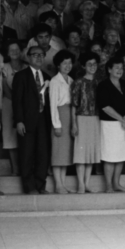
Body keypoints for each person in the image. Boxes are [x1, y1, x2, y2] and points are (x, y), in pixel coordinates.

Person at [12, 45, 51, 194]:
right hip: (26, 121)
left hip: (43, 120)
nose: (39, 57)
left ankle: (40, 185)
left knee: (43, 154)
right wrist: (19, 121)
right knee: (27, 154)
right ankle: (29, 187)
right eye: (35, 55)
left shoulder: (47, 77)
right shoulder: (21, 76)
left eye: (41, 55)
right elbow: (17, 101)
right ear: (28, 57)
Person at [97, 57, 125, 192]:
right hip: (110, 125)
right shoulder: (103, 85)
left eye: (121, 68)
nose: (120, 70)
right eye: (116, 68)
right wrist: (122, 119)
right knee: (109, 155)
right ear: (109, 70)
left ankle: (116, 183)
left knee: (121, 154)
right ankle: (108, 185)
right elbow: (105, 107)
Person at [71, 52, 102, 194]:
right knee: (81, 152)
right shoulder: (78, 82)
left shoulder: (99, 82)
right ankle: (81, 184)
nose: (92, 67)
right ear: (83, 66)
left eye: (95, 64)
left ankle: (88, 183)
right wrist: (74, 124)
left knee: (91, 153)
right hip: (81, 118)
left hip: (96, 119)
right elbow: (74, 104)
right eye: (89, 64)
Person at [49, 50, 75, 194]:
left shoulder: (71, 80)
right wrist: (56, 125)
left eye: (70, 63)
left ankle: (63, 184)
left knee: (65, 153)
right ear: (58, 65)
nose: (67, 65)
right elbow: (53, 104)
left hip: (69, 116)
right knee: (57, 152)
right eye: (64, 63)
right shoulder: (55, 81)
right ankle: (58, 184)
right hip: (59, 117)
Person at [0, 40, 28, 176]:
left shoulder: (27, 67)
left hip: (25, 105)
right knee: (10, 137)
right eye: (11, 50)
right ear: (7, 53)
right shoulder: (3, 67)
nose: (15, 52)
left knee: (25, 137)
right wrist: (16, 100)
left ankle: (25, 169)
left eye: (17, 49)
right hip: (9, 104)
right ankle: (15, 170)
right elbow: (3, 87)